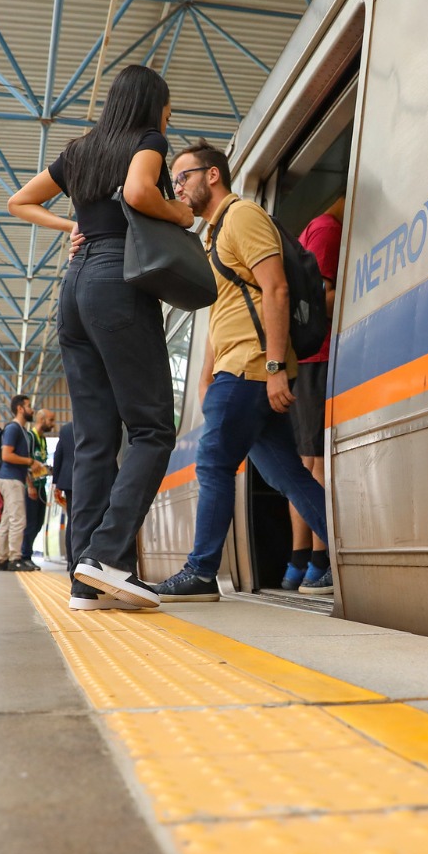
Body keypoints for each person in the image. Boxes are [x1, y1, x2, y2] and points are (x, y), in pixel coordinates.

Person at [7, 64, 192, 612]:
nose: (168, 118)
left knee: (94, 438)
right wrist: (179, 213)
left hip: (75, 287)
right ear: (153, 106)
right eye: (167, 108)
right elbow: (138, 190)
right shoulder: (148, 140)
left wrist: (74, 227)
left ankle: (85, 581)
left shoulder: (80, 150)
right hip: (118, 284)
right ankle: (107, 557)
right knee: (153, 428)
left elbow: (19, 201)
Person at [149, 144, 329, 603]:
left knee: (213, 464)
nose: (178, 187)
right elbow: (225, 309)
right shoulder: (214, 234)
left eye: (183, 177)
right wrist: (206, 373)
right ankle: (350, 552)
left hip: (251, 367)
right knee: (289, 476)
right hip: (235, 369)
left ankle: (201, 572)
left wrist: (275, 367)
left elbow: (276, 289)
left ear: (212, 175)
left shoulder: (243, 216)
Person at [282, 196, 344, 594]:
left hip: (303, 362)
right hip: (317, 357)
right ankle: (318, 562)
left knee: (305, 463)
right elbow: (320, 299)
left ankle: (299, 562)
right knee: (316, 462)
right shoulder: (327, 230)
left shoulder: (310, 230)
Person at [0, 394, 38, 572]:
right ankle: (15, 558)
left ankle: (2, 559)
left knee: (7, 519)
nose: (32, 410)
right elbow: (6, 455)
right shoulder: (13, 428)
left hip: (13, 478)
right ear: (20, 408)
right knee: (18, 520)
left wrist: (29, 482)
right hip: (10, 479)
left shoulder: (21, 431)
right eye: (29, 406)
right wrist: (30, 461)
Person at [21, 408, 56, 562]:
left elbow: (39, 464)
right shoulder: (30, 438)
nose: (53, 424)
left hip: (41, 486)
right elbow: (25, 464)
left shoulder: (42, 439)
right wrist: (30, 486)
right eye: (51, 420)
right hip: (31, 487)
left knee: (39, 523)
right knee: (30, 523)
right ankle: (25, 555)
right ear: (41, 420)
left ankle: (26, 552)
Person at [50, 419, 75, 563]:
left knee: (72, 519)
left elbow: (58, 454)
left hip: (68, 479)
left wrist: (56, 483)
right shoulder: (92, 424)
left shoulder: (65, 429)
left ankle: (71, 560)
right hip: (88, 478)